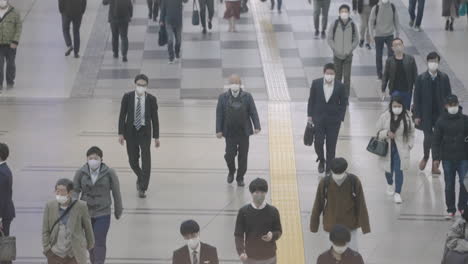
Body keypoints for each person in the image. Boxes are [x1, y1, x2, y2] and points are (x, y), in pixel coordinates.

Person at [73, 146, 123, 264]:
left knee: (99, 241)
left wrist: (118, 209)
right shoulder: (81, 172)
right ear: (87, 159)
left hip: (103, 212)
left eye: (95, 158)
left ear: (101, 159)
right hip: (86, 213)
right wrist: (73, 208)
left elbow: (116, 192)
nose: (93, 160)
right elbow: (75, 190)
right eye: (90, 158)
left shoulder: (109, 173)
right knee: (90, 242)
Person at [310, 158, 370, 251]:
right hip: (334, 225)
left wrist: (365, 226)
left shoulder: (353, 181)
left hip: (347, 225)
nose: (338, 176)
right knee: (332, 255)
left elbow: (361, 204)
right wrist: (314, 225)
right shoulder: (325, 182)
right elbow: (318, 204)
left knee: (351, 254)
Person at [118, 74, 160, 198]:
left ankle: (142, 187)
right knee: (133, 161)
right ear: (135, 84)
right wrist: (120, 133)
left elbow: (155, 119)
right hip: (130, 132)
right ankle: (141, 177)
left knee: (146, 160)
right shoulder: (127, 97)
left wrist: (156, 137)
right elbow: (122, 116)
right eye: (139, 85)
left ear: (147, 86)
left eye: (143, 85)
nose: (141, 87)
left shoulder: (151, 99)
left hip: (145, 132)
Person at [216, 74, 260, 187]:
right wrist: (218, 130)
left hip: (243, 132)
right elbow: (219, 114)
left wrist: (257, 126)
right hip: (230, 133)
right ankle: (231, 170)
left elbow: (253, 112)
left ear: (240, 85)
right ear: (229, 85)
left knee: (243, 156)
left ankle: (240, 177)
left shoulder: (247, 96)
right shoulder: (223, 97)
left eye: (236, 83)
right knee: (229, 155)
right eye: (232, 83)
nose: (234, 85)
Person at [413, 52, 452, 175]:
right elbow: (417, 98)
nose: (433, 63)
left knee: (439, 139)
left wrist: (449, 113)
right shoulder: (421, 78)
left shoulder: (444, 77)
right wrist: (417, 115)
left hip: (441, 113)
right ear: (427, 62)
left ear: (438, 62)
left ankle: (436, 163)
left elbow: (449, 96)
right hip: (426, 114)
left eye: (435, 61)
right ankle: (425, 157)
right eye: (431, 61)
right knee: (428, 138)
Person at [307, 63, 348, 175]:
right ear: (324, 73)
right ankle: (321, 159)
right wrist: (309, 116)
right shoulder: (316, 83)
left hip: (333, 121)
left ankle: (329, 168)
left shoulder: (340, 86)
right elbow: (311, 100)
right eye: (327, 73)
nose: (329, 75)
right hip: (318, 119)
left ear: (335, 74)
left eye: (332, 73)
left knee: (331, 145)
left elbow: (343, 103)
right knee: (318, 143)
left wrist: (341, 118)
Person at [42, 178, 95, 264]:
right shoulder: (49, 206)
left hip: (75, 254)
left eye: (62, 191)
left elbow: (88, 228)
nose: (59, 194)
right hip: (55, 254)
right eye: (57, 191)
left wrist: (88, 246)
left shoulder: (81, 206)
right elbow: (45, 230)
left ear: (70, 193)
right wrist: (47, 249)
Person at [432, 95, 468, 219]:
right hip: (447, 158)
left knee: (464, 183)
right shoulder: (440, 121)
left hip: (463, 157)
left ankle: (462, 207)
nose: (453, 107)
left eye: (455, 104)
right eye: (451, 105)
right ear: (446, 106)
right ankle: (450, 209)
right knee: (449, 184)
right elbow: (435, 141)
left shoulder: (465, 120)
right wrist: (436, 158)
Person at [375, 96, 415, 204]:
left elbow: (411, 132)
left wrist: (410, 145)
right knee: (388, 169)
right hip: (387, 147)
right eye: (395, 106)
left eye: (399, 106)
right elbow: (377, 131)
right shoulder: (385, 116)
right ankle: (389, 183)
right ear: (391, 106)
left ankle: (398, 193)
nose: (397, 108)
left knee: (399, 170)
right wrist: (386, 133)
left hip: (401, 148)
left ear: (403, 106)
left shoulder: (407, 117)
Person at [234, 178, 282, 264]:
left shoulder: (273, 211)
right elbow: (238, 234)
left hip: (269, 257)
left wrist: (272, 235)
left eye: (262, 192)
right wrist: (241, 251)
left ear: (266, 193)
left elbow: (278, 231)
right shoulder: (243, 212)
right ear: (251, 193)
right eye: (256, 192)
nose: (259, 195)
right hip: (250, 257)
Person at [327, 4, 359, 97]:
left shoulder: (352, 25)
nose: (344, 13)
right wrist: (335, 49)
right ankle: (336, 96)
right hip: (337, 56)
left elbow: (356, 39)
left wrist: (350, 49)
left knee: (347, 78)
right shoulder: (335, 23)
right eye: (342, 11)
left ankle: (345, 98)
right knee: (337, 77)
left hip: (348, 56)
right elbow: (329, 38)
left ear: (349, 13)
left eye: (346, 11)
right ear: (339, 13)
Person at [381, 38, 418, 109]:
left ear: (403, 46)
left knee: (406, 110)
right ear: (392, 48)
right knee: (396, 109)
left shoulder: (410, 59)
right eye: (395, 45)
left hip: (407, 90)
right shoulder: (389, 61)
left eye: (399, 44)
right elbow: (386, 76)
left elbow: (415, 74)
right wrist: (383, 89)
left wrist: (417, 88)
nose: (398, 46)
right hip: (395, 90)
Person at [368, 0, 400, 80]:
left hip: (390, 35)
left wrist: (397, 34)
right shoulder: (376, 8)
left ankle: (389, 72)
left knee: (391, 54)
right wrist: (371, 36)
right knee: (379, 55)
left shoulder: (392, 7)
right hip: (379, 35)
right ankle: (379, 73)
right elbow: (370, 22)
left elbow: (396, 20)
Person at [0, 0, 22, 89]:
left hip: (11, 44)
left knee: (10, 64)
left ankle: (10, 82)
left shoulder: (15, 12)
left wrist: (15, 41)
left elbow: (19, 27)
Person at [0, 143, 14, 264]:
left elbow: (2, 198)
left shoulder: (2, 173)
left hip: (2, 215)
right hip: (4, 214)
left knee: (3, 247)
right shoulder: (3, 170)